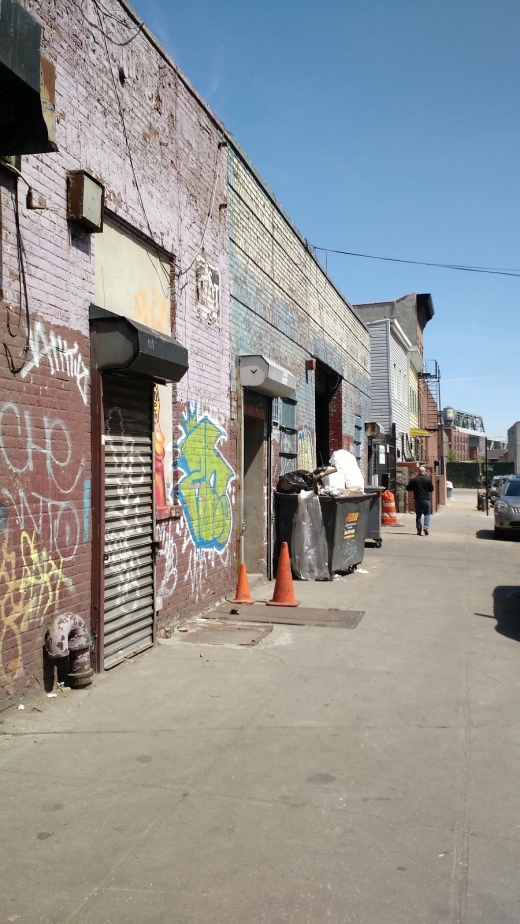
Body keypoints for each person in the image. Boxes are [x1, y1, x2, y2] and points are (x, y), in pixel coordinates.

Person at [406, 465, 434, 535]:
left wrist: (414, 488)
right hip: (426, 499)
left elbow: (408, 488)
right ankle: (426, 526)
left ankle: (419, 530)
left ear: (418, 472)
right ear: (424, 472)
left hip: (417, 499)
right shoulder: (428, 480)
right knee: (427, 514)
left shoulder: (414, 479)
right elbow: (431, 489)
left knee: (418, 515)